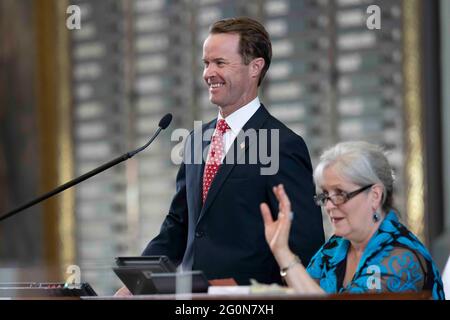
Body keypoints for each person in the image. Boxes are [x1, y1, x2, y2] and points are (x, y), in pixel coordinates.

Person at [138, 17, 324, 286]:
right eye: (206, 63)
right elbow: (179, 225)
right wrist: (138, 281)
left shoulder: (282, 144)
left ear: (255, 68)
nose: (208, 73)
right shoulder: (195, 140)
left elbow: (305, 244)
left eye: (220, 63)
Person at [260, 141, 445, 299]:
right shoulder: (334, 247)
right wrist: (278, 248)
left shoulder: (401, 257)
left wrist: (284, 253)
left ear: (375, 196)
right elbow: (300, 293)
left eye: (340, 193)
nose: (329, 205)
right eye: (325, 195)